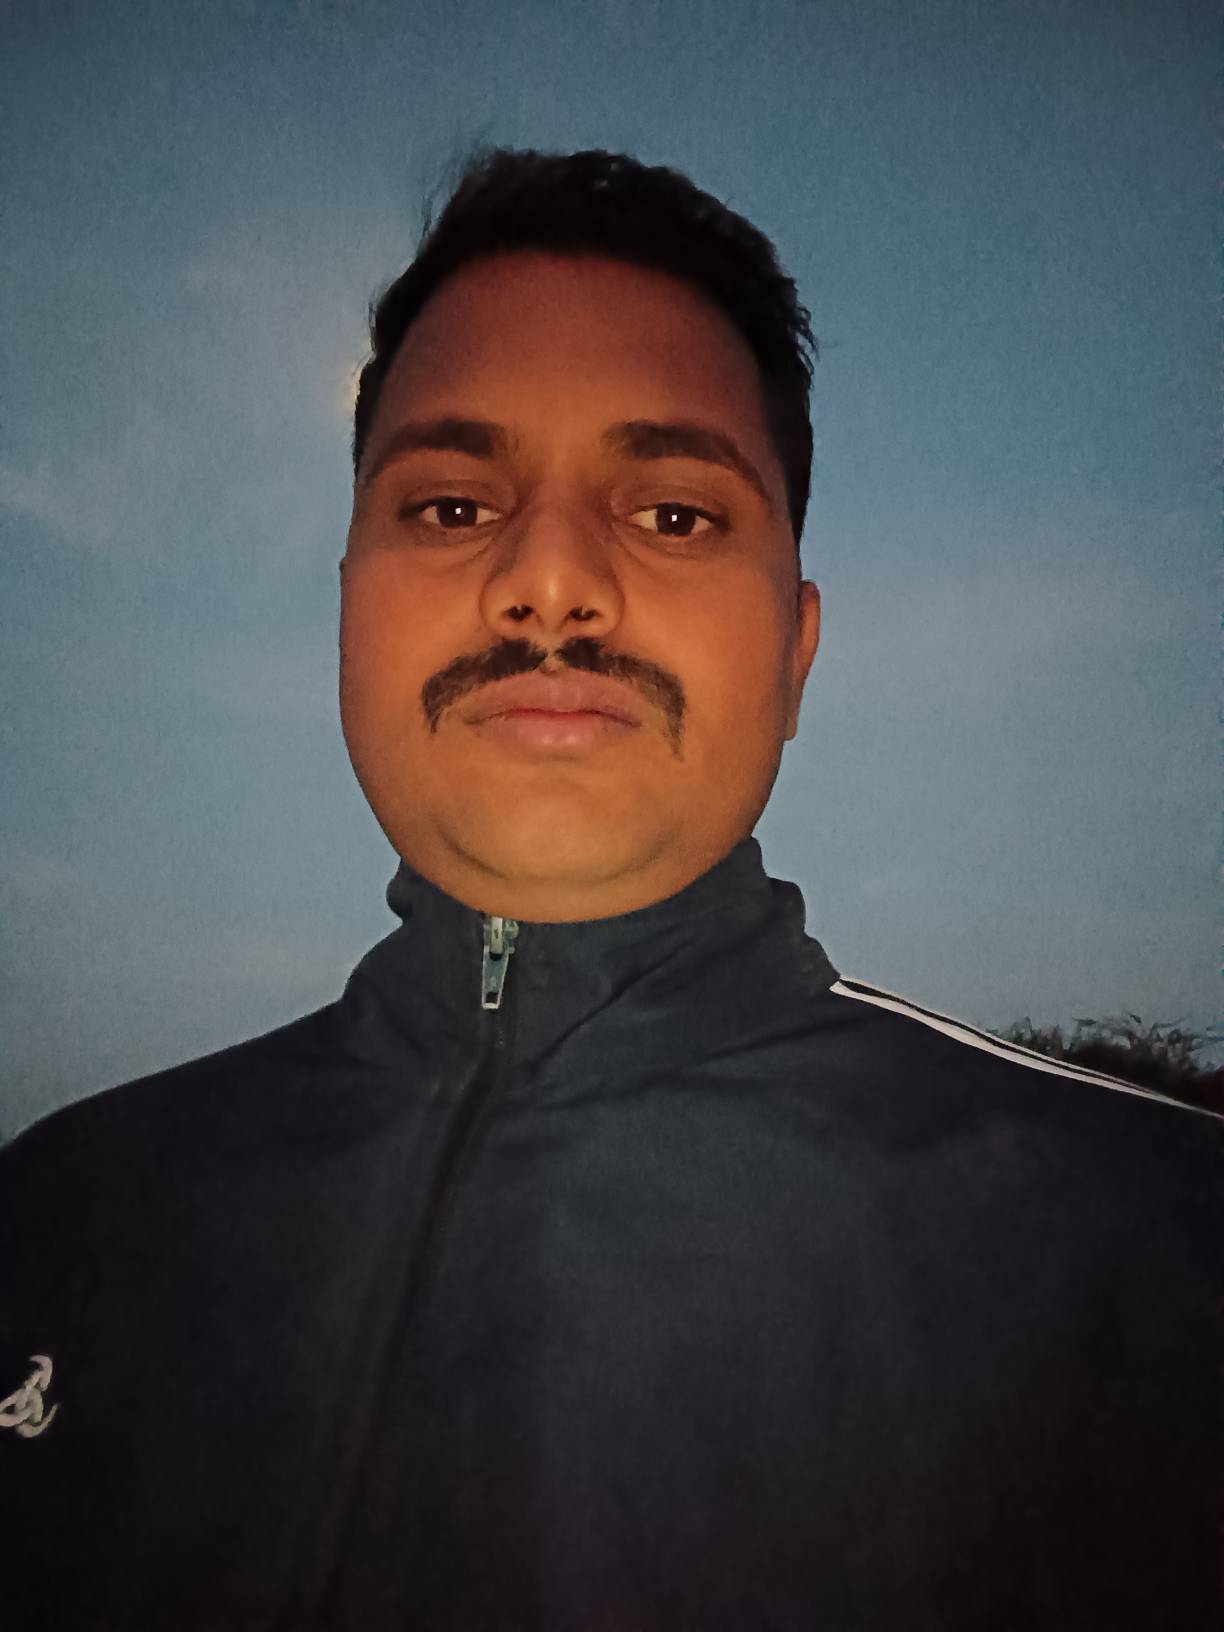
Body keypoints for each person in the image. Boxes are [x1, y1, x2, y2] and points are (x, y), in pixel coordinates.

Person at [1, 145, 1219, 1631]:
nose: (551, 582)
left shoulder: (1159, 1264)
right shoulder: (58, 1221)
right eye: (453, 508)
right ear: (347, 612)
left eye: (674, 515)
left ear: (795, 652)